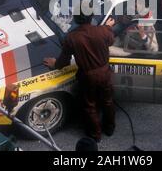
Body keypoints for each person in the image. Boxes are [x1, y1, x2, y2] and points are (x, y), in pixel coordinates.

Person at [43, 9, 116, 142]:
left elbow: (63, 61)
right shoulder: (103, 31)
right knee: (108, 101)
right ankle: (109, 128)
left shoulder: (71, 38)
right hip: (105, 74)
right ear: (91, 17)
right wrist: (107, 27)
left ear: (75, 19)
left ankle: (95, 135)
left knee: (90, 105)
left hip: (88, 77)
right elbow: (110, 40)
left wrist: (55, 64)